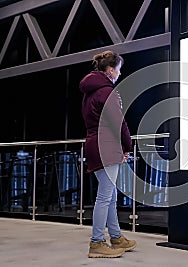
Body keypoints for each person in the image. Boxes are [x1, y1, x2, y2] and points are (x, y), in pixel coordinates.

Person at [80, 50, 136, 258]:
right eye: (118, 70)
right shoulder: (107, 92)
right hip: (107, 146)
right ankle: (96, 243)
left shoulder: (89, 92)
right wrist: (127, 145)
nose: (119, 74)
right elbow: (118, 122)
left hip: (94, 144)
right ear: (110, 70)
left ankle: (116, 237)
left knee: (110, 195)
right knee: (105, 197)